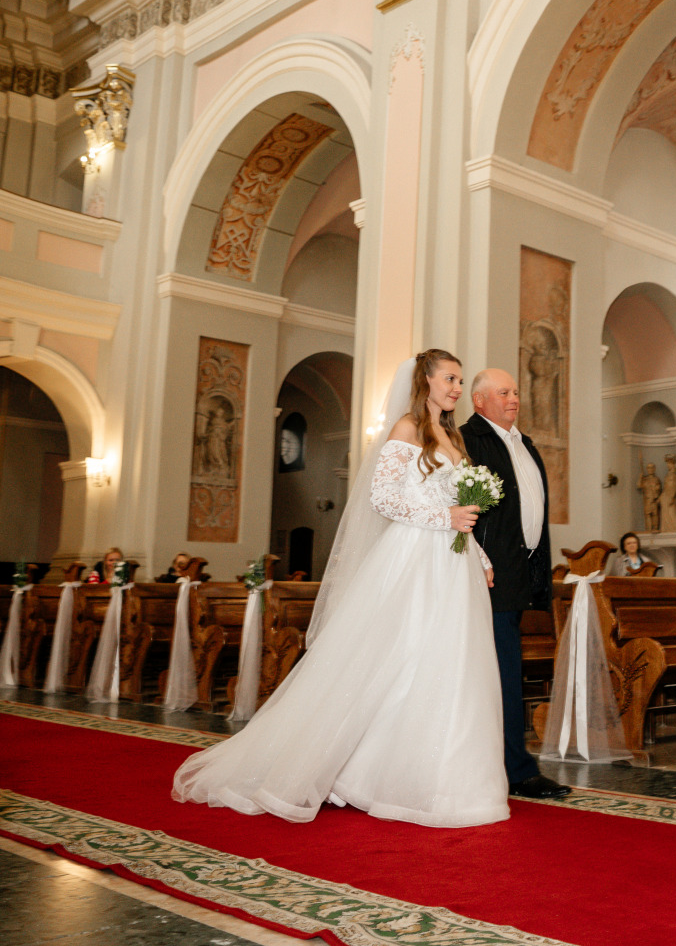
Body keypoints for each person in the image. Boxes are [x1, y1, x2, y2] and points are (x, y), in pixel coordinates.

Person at [173, 350, 509, 827]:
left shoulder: (452, 436)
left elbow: (461, 511)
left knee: (450, 663)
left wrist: (480, 555)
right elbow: (384, 498)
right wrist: (444, 518)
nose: (456, 387)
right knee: (397, 658)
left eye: (459, 379)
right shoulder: (406, 430)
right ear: (425, 381)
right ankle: (346, 768)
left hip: (452, 565)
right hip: (413, 559)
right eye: (449, 378)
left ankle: (433, 778)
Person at [461, 368, 571, 800]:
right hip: (490, 572)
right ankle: (515, 770)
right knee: (503, 670)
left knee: (505, 668)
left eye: (516, 391)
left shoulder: (523, 442)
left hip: (521, 571)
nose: (514, 398)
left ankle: (505, 764)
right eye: (503, 392)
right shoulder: (470, 439)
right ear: (479, 401)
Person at [637, 459, 662, 532]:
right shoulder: (644, 479)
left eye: (651, 467)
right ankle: (648, 529)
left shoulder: (656, 479)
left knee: (655, 515)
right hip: (647, 500)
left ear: (654, 469)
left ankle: (655, 528)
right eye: (648, 468)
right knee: (647, 515)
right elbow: (639, 486)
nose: (650, 469)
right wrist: (640, 477)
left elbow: (659, 489)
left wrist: (657, 498)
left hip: (654, 500)